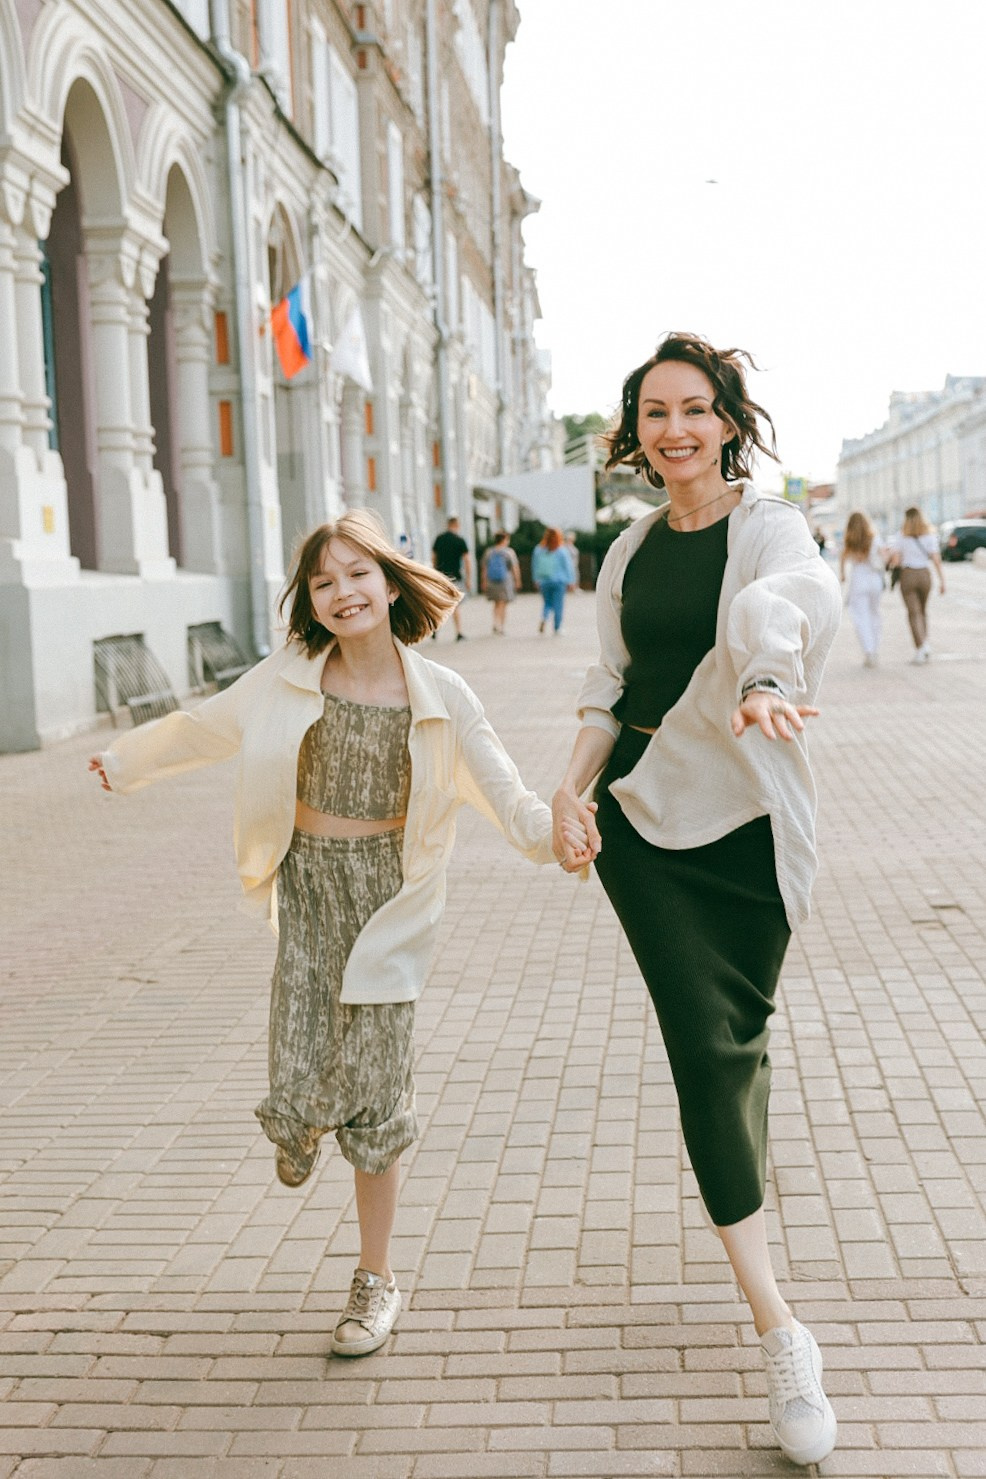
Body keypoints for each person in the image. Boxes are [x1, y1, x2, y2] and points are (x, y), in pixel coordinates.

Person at [88, 511, 584, 1360]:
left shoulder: (442, 694)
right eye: (324, 581)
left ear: (390, 583)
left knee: (378, 1095)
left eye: (358, 574)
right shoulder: (289, 676)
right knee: (299, 1067)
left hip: (389, 904)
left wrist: (558, 837)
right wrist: (126, 762)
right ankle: (303, 1118)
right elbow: (204, 727)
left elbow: (507, 795)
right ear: (310, 601)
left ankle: (374, 1278)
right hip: (309, 891)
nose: (342, 592)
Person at [551, 333, 842, 1468]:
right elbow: (609, 681)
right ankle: (780, 1329)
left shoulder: (767, 526)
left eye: (693, 409)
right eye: (653, 413)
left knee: (741, 1035)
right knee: (706, 1049)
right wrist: (572, 790)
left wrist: (765, 680)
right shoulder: (627, 549)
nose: (673, 429)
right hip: (640, 823)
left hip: (747, 819)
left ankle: (761, 1267)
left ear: (726, 420)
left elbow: (788, 600)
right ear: (635, 432)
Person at [887, 505, 945, 662]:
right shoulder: (929, 535)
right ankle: (925, 643)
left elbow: (896, 560)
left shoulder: (901, 535)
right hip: (925, 574)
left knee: (913, 613)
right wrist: (942, 581)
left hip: (908, 575)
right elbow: (936, 560)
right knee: (923, 611)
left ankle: (920, 647)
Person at [840, 511, 887, 666]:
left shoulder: (849, 540)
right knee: (875, 613)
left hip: (858, 579)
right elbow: (883, 557)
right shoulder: (874, 538)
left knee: (860, 616)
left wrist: (842, 574)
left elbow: (843, 557)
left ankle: (869, 651)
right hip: (874, 579)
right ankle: (875, 647)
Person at [430, 515, 471, 640]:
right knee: (455, 605)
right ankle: (458, 632)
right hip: (455, 577)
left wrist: (434, 573)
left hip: (441, 576)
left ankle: (435, 629)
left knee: (440, 604)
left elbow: (433, 557)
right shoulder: (460, 540)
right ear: (457, 525)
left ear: (448, 525)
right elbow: (467, 560)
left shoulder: (439, 539)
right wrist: (468, 578)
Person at [532, 527, 577, 634]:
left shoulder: (539, 549)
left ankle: (544, 617)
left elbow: (535, 565)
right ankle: (557, 627)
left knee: (547, 603)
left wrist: (536, 579)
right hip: (559, 581)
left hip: (544, 581)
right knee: (558, 605)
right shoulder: (561, 550)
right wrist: (571, 581)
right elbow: (568, 567)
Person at [480, 530, 521, 635]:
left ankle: (495, 623)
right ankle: (501, 627)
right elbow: (514, 568)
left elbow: (484, 568)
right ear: (504, 540)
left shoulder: (489, 552)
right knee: (503, 604)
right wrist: (517, 580)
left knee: (496, 603)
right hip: (505, 581)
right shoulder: (509, 552)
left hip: (491, 581)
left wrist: (483, 581)